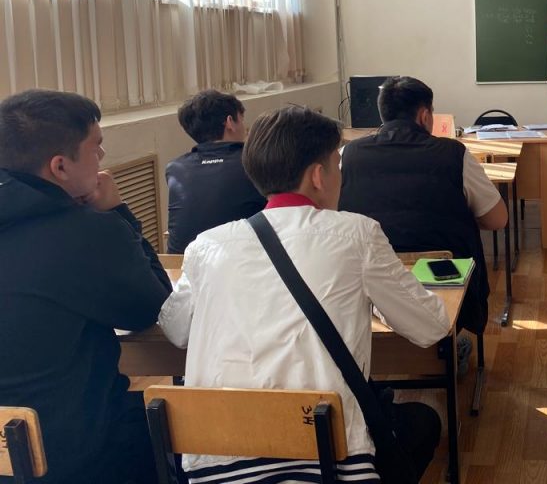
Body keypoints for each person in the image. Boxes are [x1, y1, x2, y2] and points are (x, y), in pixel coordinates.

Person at [159, 105, 449, 482]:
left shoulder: (207, 245)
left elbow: (174, 330)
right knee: (422, 422)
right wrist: (376, 304)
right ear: (317, 176)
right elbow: (431, 327)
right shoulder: (356, 234)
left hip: (214, 464)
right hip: (327, 464)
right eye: (337, 166)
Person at [0, 89, 171, 484]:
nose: (102, 158)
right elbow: (157, 307)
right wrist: (118, 213)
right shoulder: (83, 233)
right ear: (60, 166)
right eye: (96, 147)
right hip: (75, 456)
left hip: (10, 457)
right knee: (165, 423)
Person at [339, 76, 508, 344]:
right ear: (424, 115)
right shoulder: (453, 154)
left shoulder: (348, 155)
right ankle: (453, 346)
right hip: (444, 275)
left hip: (373, 278)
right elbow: (498, 219)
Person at [165, 89, 266, 253]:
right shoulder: (255, 162)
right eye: (241, 120)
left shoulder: (175, 168)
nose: (245, 128)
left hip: (182, 262)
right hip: (239, 259)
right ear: (230, 122)